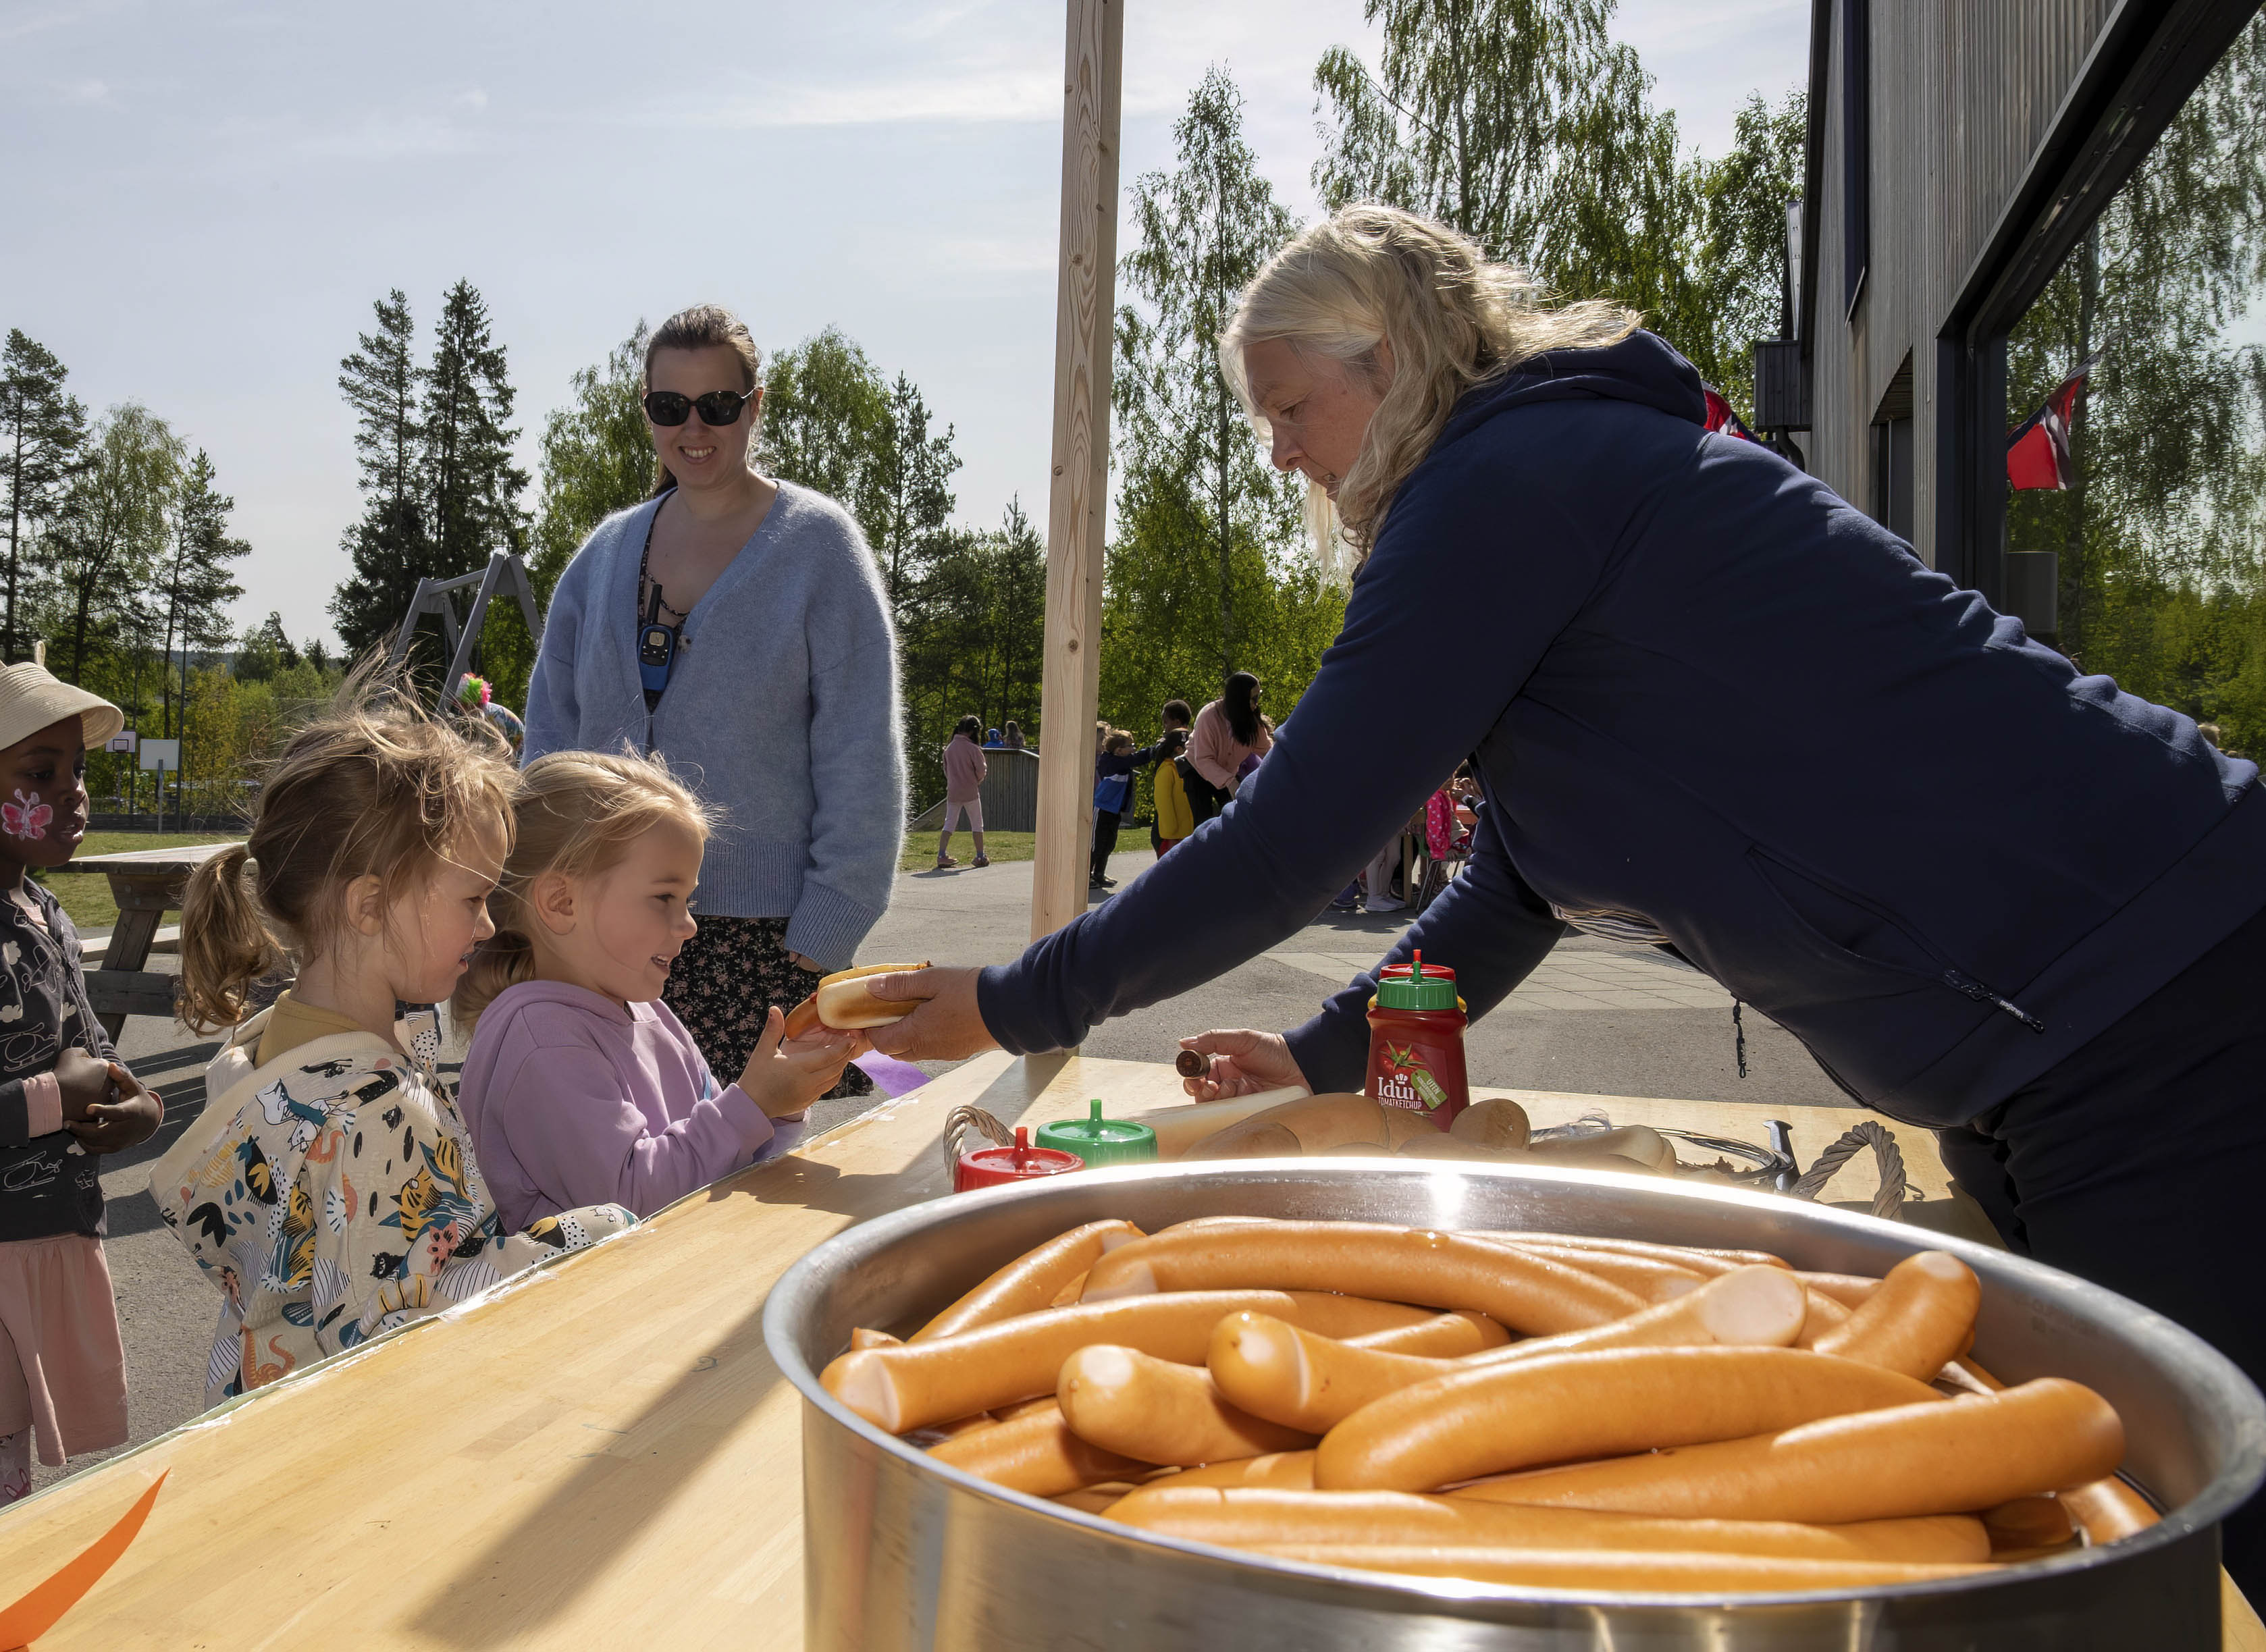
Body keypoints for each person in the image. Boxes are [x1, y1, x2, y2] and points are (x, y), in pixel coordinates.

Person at [860, 205, 2266, 1590]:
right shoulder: (1537, 486)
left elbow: (1294, 837)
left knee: (2194, 1505)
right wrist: (1317, 1055)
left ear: (1389, 365)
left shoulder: (1509, 480)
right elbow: (1519, 877)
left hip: (2161, 988)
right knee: (2111, 1499)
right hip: (2056, 1038)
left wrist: (1010, 995)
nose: (1279, 448)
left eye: (1288, 407)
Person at [150, 681, 635, 1404]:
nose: (485, 926)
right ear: (369, 904)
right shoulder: (375, 1107)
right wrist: (592, 1231)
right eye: (472, 899)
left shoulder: (261, 1051)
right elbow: (416, 1324)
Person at [523, 304, 900, 1107]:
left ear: (754, 407)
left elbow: (861, 751)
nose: (694, 428)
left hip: (760, 945)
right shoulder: (601, 558)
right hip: (600, 933)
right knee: (622, 1178)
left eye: (717, 406)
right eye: (670, 406)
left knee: (758, 1187)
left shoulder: (817, 548)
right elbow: (550, 746)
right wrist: (540, 891)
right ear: (647, 412)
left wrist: (830, 922)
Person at [0, 649, 163, 1541]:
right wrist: (59, 1099)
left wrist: (139, 1111)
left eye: (77, 770)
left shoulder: (43, 911)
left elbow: (93, 1052)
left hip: (33, 1243)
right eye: (40, 772)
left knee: (0, 1480)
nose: (73, 792)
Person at [456, 753, 855, 1226]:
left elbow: (718, 1157)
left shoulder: (650, 1013)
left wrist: (783, 1103)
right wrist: (753, 1103)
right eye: (664, 897)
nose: (688, 925)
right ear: (561, 902)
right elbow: (627, 1203)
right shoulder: (542, 1039)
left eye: (688, 899)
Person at [1181, 672, 1272, 826]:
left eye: (1259, 696)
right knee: (1204, 822)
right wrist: (1230, 782)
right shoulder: (1208, 716)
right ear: (1240, 698)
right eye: (1254, 698)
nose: (1257, 703)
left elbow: (1268, 752)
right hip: (1197, 770)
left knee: (1235, 818)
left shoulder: (1252, 722)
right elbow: (1203, 759)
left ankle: (1233, 849)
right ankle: (1206, 849)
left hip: (1227, 773)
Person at [1088, 728, 1166, 890]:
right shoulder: (1110, 762)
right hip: (1102, 808)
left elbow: (1133, 760)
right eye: (1131, 746)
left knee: (1109, 843)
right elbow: (1137, 759)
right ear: (1119, 750)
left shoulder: (1122, 762)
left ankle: (1099, 874)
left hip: (1114, 810)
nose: (1133, 749)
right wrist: (1154, 749)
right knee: (1097, 844)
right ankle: (1086, 875)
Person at [938, 716, 990, 870]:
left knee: (950, 822)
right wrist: (976, 780)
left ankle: (942, 855)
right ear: (974, 731)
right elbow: (982, 770)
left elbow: (946, 770)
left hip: (953, 791)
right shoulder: (973, 749)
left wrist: (953, 782)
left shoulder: (949, 749)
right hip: (970, 791)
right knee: (977, 823)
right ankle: (980, 855)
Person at [1151, 700, 1194, 857]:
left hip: (1187, 832)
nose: (1164, 726)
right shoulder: (1167, 770)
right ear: (1177, 749)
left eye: (1166, 722)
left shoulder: (1190, 766)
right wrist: (1170, 834)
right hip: (1172, 836)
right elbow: (1164, 802)